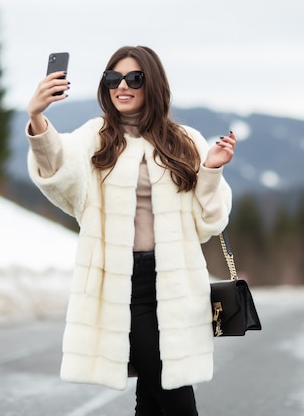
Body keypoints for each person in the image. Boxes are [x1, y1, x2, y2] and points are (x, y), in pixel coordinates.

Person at [25, 45, 235, 415]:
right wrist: (38, 117)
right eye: (113, 78)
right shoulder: (95, 137)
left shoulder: (184, 141)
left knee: (153, 399)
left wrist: (211, 171)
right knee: (173, 392)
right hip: (123, 284)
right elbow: (57, 168)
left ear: (151, 84)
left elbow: (209, 222)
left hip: (175, 283)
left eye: (134, 78)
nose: (122, 86)